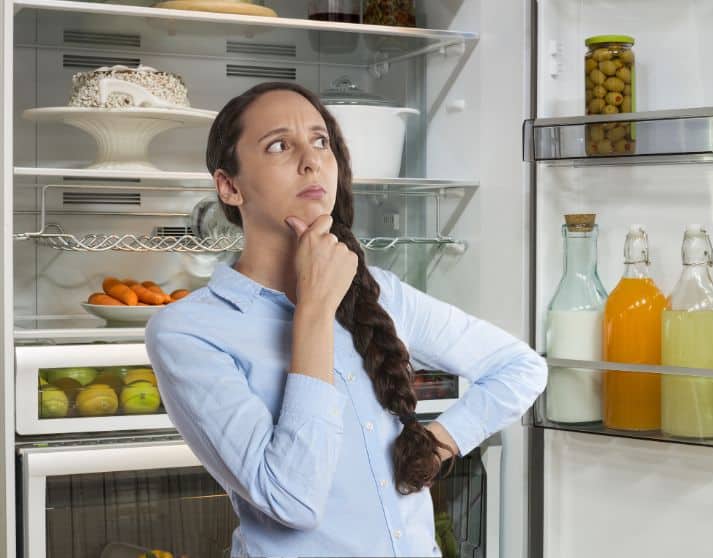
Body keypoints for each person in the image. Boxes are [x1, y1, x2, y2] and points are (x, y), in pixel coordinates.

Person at [145, 81, 547, 558]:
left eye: (321, 141)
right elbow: (292, 500)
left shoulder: (382, 293)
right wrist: (314, 309)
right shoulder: (188, 332)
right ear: (229, 186)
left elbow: (521, 368)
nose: (311, 160)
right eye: (278, 145)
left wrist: (437, 444)